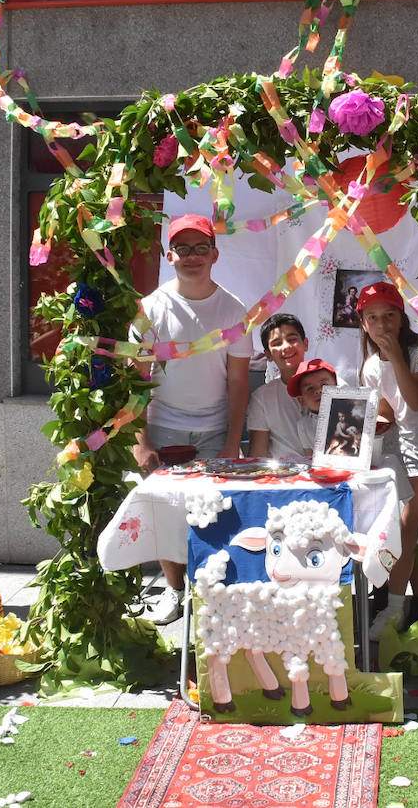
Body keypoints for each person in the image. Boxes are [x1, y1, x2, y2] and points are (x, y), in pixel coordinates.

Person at [132, 214, 252, 624]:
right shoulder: (149, 310)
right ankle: (172, 590)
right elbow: (137, 382)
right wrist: (141, 441)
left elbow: (238, 383)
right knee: (166, 514)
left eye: (201, 248)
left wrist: (233, 441)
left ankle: (209, 595)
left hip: (215, 429)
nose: (192, 257)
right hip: (163, 427)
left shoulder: (234, 310)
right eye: (182, 248)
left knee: (213, 514)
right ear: (170, 256)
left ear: (215, 254)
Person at [357, 281, 418, 637]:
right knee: (407, 528)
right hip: (409, 447)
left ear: (402, 318)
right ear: (363, 324)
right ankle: (393, 607)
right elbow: (393, 413)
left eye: (389, 316)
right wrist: (369, 427)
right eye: (372, 318)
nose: (382, 325)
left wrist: (395, 357)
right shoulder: (370, 366)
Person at [247, 313, 317, 459]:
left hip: (329, 475)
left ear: (305, 344)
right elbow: (257, 455)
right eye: (277, 343)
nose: (286, 347)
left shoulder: (335, 387)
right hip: (282, 477)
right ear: (268, 355)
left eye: (292, 339)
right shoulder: (262, 398)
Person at [288, 358, 339, 456]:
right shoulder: (303, 425)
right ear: (301, 400)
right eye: (310, 388)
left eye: (324, 385)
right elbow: (310, 457)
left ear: (337, 389)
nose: (318, 391)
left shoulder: (352, 415)